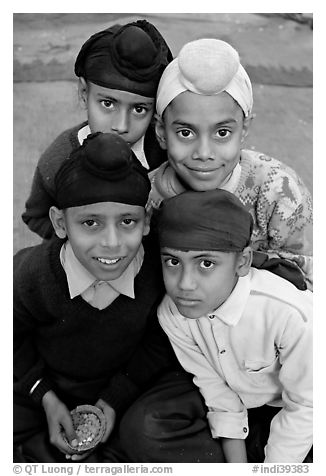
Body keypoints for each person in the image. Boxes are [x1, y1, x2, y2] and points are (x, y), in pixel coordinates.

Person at [13, 132, 176, 463]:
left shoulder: (160, 277)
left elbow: (159, 343)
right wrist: (45, 397)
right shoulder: (30, 276)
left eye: (127, 221)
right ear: (60, 223)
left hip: (123, 391)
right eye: (90, 223)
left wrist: (114, 400)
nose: (112, 243)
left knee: (146, 438)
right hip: (41, 385)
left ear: (145, 222)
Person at [119, 189, 312, 463]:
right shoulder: (173, 314)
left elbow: (306, 406)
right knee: (143, 427)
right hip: (246, 406)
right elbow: (217, 392)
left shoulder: (289, 315)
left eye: (206, 263)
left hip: (305, 408)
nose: (185, 284)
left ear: (242, 262)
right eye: (173, 262)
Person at [147, 38, 313, 289]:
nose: (204, 153)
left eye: (222, 133)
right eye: (185, 133)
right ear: (161, 131)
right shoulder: (146, 197)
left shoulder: (279, 193)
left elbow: (306, 277)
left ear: (244, 129)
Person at [22, 19, 172, 240]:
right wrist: (77, 245)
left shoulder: (163, 152)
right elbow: (36, 216)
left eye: (139, 109)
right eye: (108, 103)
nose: (121, 125)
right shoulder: (58, 159)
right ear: (84, 93)